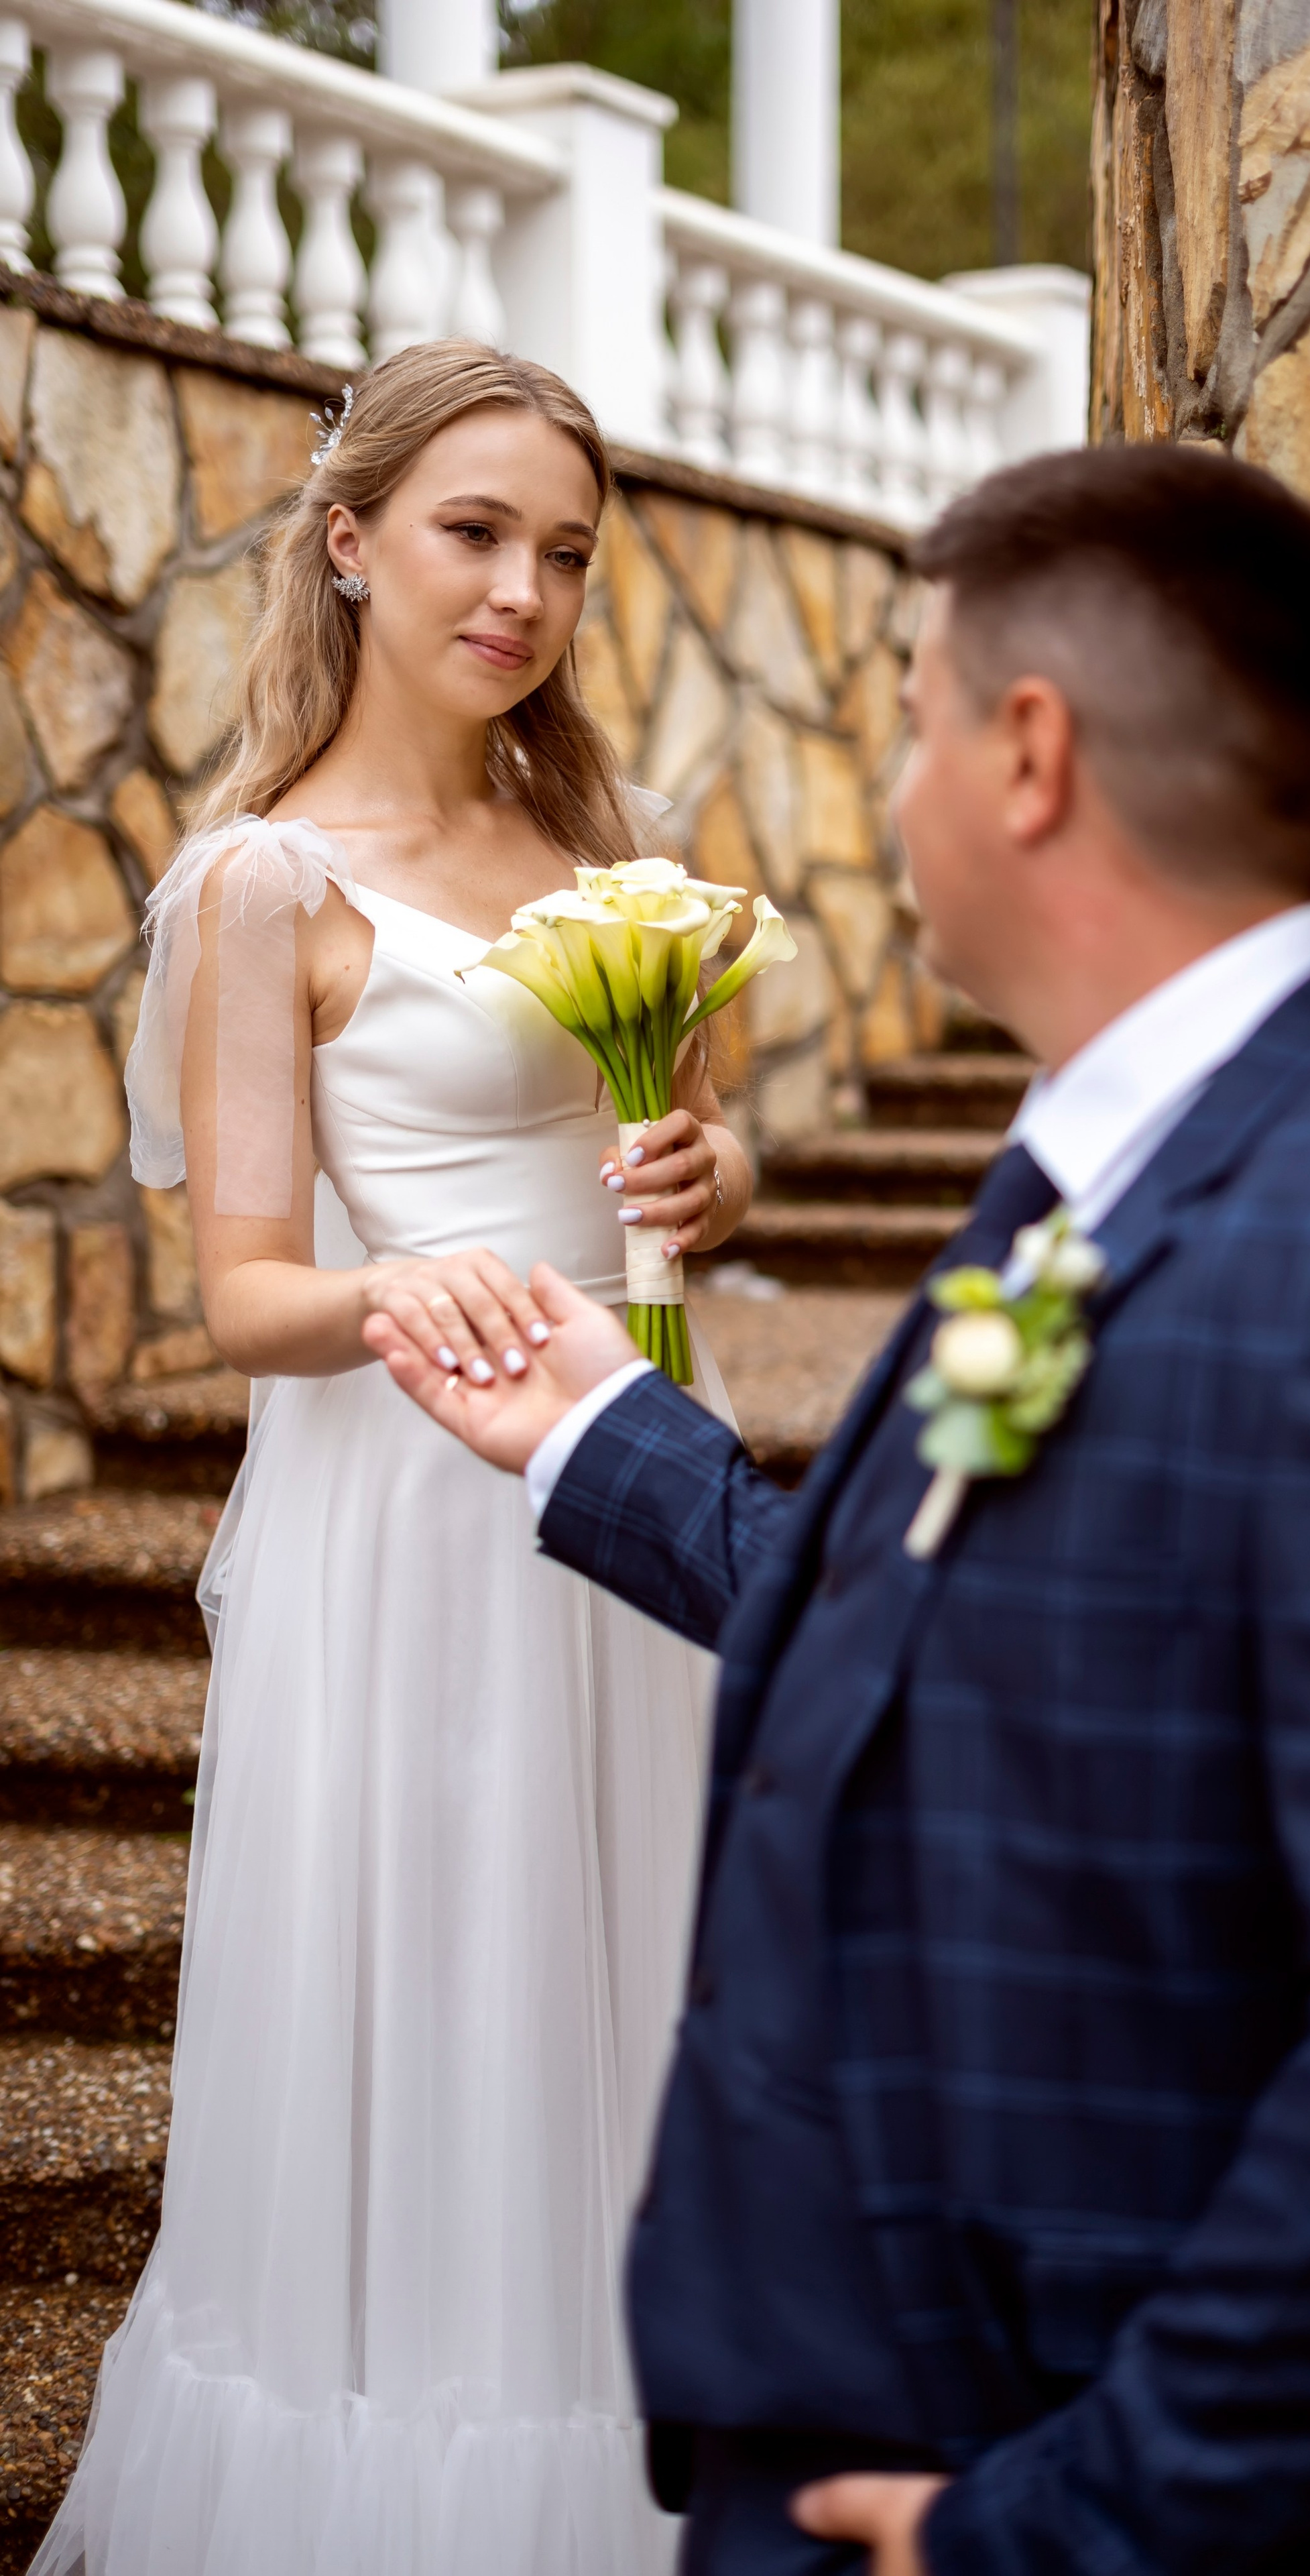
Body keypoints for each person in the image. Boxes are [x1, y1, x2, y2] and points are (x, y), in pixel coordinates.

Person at [369, 443, 1310, 2576]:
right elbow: (951, 1649)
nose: (894, 794)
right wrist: (608, 1437)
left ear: (1033, 753)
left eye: (910, 720)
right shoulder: (1086, 1181)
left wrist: (1059, 2524)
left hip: (1051, 2469)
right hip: (866, 2411)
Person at [34, 345, 752, 2576]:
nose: (523, 591)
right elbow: (242, 1291)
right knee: (448, 1986)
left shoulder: (616, 861)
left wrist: (704, 1181)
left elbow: (663, 1170)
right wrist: (406, 1295)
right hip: (407, 1517)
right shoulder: (263, 885)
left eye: (562, 550)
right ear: (349, 540)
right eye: (474, 532)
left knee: (628, 1976)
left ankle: (651, 2437)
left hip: (625, 1477)